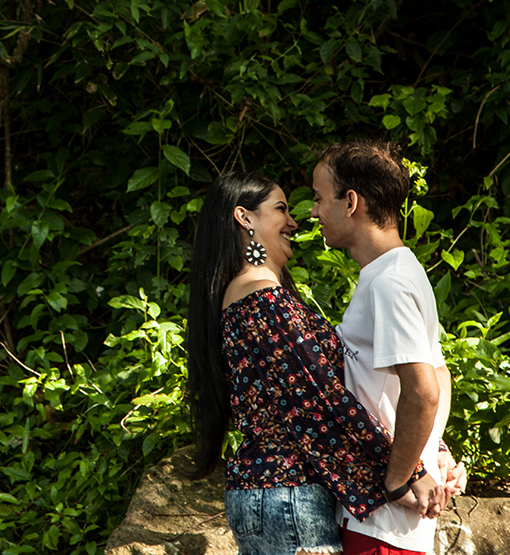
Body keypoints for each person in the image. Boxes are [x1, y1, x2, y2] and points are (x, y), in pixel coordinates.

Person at [186, 171, 442, 555]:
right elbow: (319, 403)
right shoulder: (262, 300)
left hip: (276, 493)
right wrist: (402, 475)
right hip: (285, 493)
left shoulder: (253, 295)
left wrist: (430, 449)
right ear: (245, 218)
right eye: (281, 209)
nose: (293, 220)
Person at [311, 141, 465, 555]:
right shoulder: (399, 271)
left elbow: (424, 390)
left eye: (319, 198)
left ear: (351, 202)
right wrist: (435, 452)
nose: (312, 212)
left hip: (382, 521)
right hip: (387, 521)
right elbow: (440, 374)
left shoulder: (389, 284)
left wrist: (397, 479)